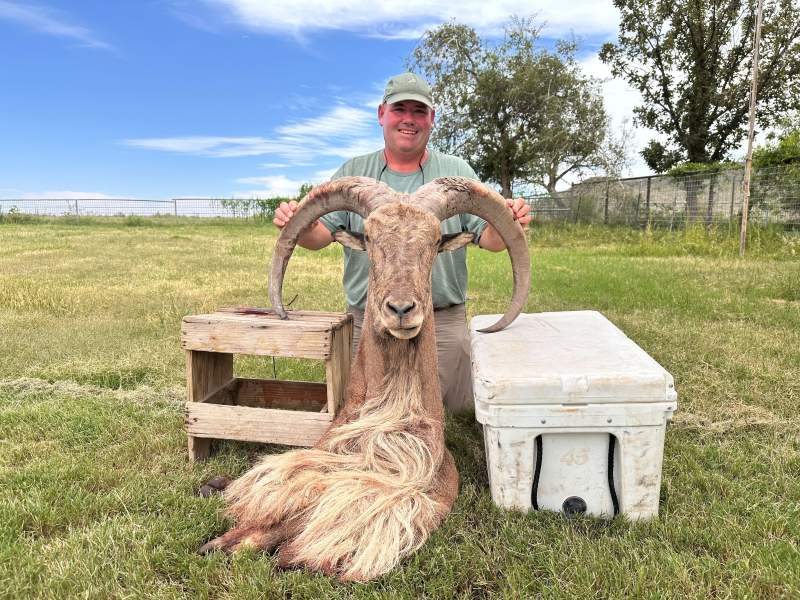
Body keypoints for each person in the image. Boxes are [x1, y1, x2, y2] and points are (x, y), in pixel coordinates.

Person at [273, 72, 531, 412]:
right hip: (368, 318)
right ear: (382, 114)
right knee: (362, 407)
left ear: (431, 119)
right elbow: (320, 235)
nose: (408, 119)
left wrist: (509, 222)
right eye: (399, 109)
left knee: (440, 409)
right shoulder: (356, 169)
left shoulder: (456, 171)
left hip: (439, 318)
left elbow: (490, 239)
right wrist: (299, 225)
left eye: (419, 111)